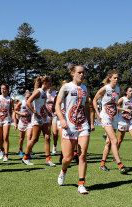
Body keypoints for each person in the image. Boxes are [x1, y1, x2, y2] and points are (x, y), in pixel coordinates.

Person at [56, 64, 94, 194]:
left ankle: (81, 184)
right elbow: (57, 104)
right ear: (72, 73)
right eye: (79, 72)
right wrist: (61, 119)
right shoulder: (66, 87)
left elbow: (87, 107)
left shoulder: (85, 88)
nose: (82, 75)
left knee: (83, 155)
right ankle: (63, 170)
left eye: (83, 73)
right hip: (69, 126)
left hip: (83, 125)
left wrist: (90, 122)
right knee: (68, 158)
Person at [93, 70, 129, 173]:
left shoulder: (118, 89)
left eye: (118, 78)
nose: (117, 79)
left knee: (108, 142)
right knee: (114, 140)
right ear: (110, 78)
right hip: (105, 117)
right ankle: (120, 164)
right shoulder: (105, 88)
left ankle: (102, 164)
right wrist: (98, 114)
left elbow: (115, 103)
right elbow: (95, 100)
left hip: (114, 117)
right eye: (115, 78)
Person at [22, 76, 56, 167]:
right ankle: (25, 157)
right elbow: (28, 102)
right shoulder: (38, 91)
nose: (51, 85)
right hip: (37, 118)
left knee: (47, 137)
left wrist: (48, 113)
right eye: (50, 83)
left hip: (44, 117)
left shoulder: (44, 92)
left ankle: (48, 159)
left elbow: (43, 105)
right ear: (45, 83)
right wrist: (35, 113)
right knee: (34, 139)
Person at [0, 84, 15, 162]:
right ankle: (2, 150)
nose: (3, 90)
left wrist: (15, 121)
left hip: (6, 119)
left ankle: (6, 155)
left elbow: (12, 110)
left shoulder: (10, 99)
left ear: (7, 90)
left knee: (5, 137)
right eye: (2, 89)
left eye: (5, 89)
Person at [14, 90, 33, 158]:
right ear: (24, 97)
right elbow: (15, 111)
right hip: (22, 122)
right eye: (27, 97)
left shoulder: (32, 103)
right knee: (21, 138)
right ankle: (20, 150)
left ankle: (28, 153)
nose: (28, 98)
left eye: (29, 97)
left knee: (29, 137)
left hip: (30, 122)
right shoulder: (21, 103)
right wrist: (21, 114)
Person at [46, 87, 58, 154]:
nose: (49, 88)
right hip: (47, 115)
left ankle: (54, 146)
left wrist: (56, 111)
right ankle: (48, 149)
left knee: (55, 132)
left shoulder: (55, 93)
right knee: (48, 133)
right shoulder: (44, 93)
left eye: (50, 86)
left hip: (54, 115)